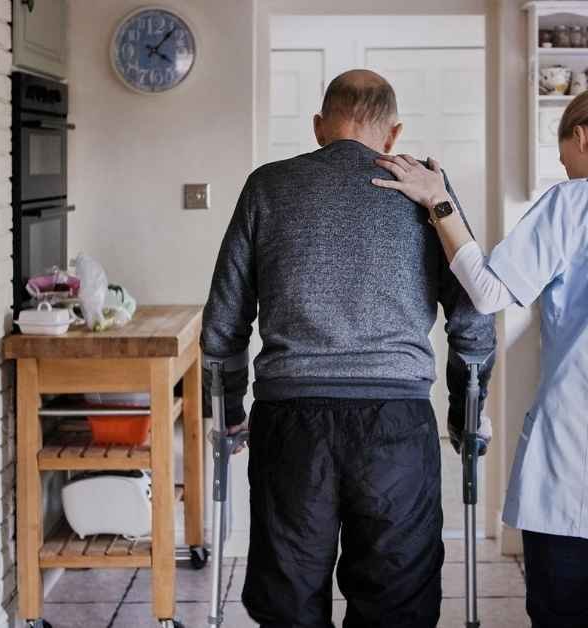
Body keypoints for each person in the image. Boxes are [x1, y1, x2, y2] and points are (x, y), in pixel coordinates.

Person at [372, 87, 588, 628]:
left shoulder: (575, 202)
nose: (567, 170)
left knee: (560, 616)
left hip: (580, 460)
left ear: (580, 138)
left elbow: (488, 291)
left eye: (564, 158)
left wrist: (439, 203)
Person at [201, 69, 496, 628]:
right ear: (393, 132)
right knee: (395, 605)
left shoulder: (267, 186)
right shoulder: (428, 192)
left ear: (319, 127)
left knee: (289, 602)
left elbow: (224, 321)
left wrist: (228, 410)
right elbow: (472, 316)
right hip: (396, 422)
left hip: (290, 422)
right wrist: (466, 415)